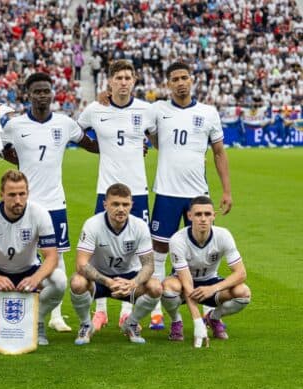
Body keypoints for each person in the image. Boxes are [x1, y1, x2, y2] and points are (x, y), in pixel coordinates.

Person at [2, 72, 98, 332]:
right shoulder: (15, 125)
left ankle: (54, 314)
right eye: (37, 91)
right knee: (24, 254)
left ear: (52, 94)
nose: (42, 95)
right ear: (28, 95)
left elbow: (89, 144)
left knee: (58, 257)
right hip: (25, 204)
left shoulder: (65, 123)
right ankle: (24, 306)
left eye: (46, 91)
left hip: (55, 203)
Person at [148, 61, 233, 327]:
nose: (181, 82)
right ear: (168, 84)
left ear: (192, 80)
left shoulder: (208, 112)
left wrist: (227, 191)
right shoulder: (158, 110)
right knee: (159, 250)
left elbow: (219, 152)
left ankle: (208, 306)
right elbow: (150, 135)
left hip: (198, 194)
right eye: (175, 79)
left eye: (185, 77)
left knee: (204, 246)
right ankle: (158, 311)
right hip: (166, 191)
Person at [76, 60, 158, 330]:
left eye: (128, 77)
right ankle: (100, 310)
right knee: (101, 247)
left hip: (138, 191)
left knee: (136, 249)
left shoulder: (146, 111)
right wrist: (100, 149)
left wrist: (143, 146)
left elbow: (158, 139)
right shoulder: (95, 110)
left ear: (134, 81)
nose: (123, 82)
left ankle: (127, 308)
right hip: (106, 190)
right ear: (109, 82)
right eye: (118, 78)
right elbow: (78, 134)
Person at [0, 170, 66, 346]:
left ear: (28, 193)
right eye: (12, 195)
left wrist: (36, 278)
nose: (18, 200)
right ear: (1, 195)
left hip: (29, 270)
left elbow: (51, 257)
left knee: (60, 280)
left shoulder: (40, 213)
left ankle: (37, 321)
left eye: (22, 194)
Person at [70, 183, 162, 345]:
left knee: (155, 287)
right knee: (77, 282)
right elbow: (81, 264)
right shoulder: (93, 224)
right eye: (115, 204)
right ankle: (86, 324)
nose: (121, 209)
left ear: (131, 205)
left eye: (125, 204)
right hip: (100, 278)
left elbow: (148, 266)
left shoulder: (139, 226)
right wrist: (108, 282)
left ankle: (131, 323)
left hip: (128, 278)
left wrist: (133, 283)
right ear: (105, 204)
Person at [161, 196, 250, 346]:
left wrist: (213, 288)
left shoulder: (223, 235)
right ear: (189, 216)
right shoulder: (178, 240)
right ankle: (176, 321)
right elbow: (187, 283)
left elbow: (241, 273)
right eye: (198, 214)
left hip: (210, 282)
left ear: (214, 216)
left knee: (243, 293)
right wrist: (197, 322)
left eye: (207, 214)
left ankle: (213, 318)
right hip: (183, 283)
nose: (203, 219)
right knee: (168, 288)